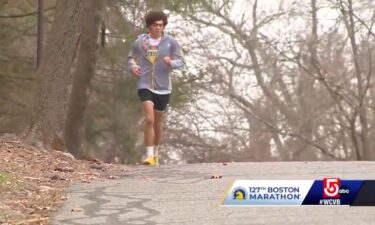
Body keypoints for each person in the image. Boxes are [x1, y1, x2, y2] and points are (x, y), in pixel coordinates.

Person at [128, 10, 185, 166]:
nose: (158, 28)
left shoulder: (170, 42)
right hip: (145, 84)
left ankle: (156, 152)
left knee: (158, 123)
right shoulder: (141, 41)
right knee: (149, 119)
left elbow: (181, 61)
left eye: (161, 25)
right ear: (149, 26)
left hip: (164, 87)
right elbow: (131, 57)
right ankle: (148, 155)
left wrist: (171, 63)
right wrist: (133, 67)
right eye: (155, 25)